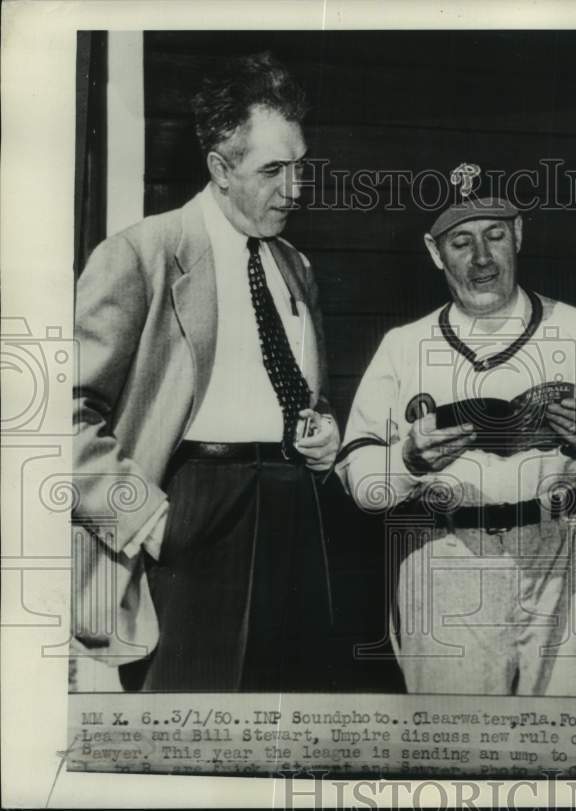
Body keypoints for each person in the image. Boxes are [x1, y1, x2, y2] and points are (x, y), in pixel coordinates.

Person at [72, 53, 342, 692]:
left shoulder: (297, 266)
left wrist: (323, 436)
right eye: (272, 170)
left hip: (292, 509)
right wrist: (148, 519)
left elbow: (299, 394)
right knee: (187, 726)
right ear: (220, 168)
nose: (295, 189)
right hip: (189, 509)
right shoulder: (142, 255)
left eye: (300, 165)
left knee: (287, 724)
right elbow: (63, 416)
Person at [335, 164, 576, 696]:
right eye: (461, 242)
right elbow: (363, 486)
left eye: (495, 235)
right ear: (435, 253)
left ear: (518, 234)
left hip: (565, 550)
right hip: (446, 551)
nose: (482, 258)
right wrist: (409, 459)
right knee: (454, 749)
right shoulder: (403, 346)